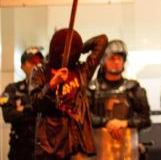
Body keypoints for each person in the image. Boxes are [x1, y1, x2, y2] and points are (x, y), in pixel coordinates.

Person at [29, 29, 108, 159]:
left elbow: (102, 40)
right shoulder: (41, 71)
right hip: (51, 146)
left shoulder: (82, 71)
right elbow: (36, 104)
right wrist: (52, 85)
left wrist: (78, 48)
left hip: (78, 142)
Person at [88, 39, 151, 159]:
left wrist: (124, 123)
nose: (116, 62)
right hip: (99, 149)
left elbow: (146, 118)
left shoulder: (133, 88)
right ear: (103, 61)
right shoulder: (92, 88)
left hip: (129, 149)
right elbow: (84, 117)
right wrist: (106, 122)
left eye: (119, 59)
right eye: (112, 58)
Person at [1, 47, 44, 159]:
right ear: (22, 66)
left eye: (39, 62)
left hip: (43, 150)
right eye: (31, 61)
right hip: (19, 150)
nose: (36, 65)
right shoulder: (12, 89)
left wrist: (23, 109)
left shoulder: (48, 90)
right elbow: (8, 115)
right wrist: (34, 110)